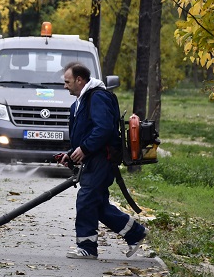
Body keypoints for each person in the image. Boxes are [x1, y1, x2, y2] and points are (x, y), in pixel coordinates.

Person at [58, 62, 148, 259]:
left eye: (67, 82)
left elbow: (104, 129)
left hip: (102, 159)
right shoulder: (80, 102)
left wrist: (85, 148)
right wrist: (71, 153)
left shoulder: (98, 97)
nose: (65, 86)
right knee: (97, 204)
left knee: (86, 200)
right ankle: (135, 233)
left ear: (79, 80)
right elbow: (84, 134)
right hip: (93, 159)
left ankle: (87, 248)